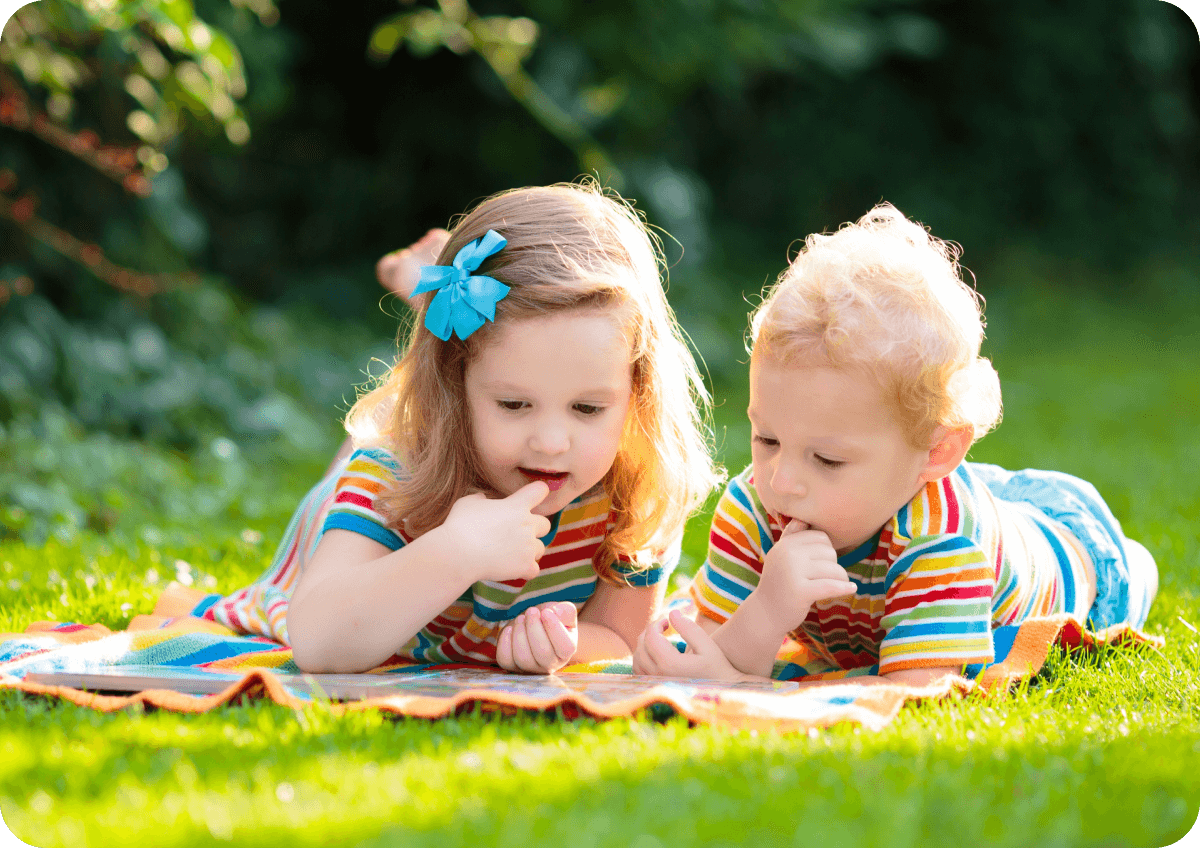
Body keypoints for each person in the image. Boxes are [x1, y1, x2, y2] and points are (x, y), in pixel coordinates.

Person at [198, 181, 721, 674]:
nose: (552, 443)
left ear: (638, 390)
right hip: (413, 478)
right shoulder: (394, 472)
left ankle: (431, 299)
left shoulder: (637, 489)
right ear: (456, 385)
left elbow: (620, 637)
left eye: (588, 409)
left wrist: (559, 645)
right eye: (515, 404)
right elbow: (317, 640)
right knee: (373, 443)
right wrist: (454, 550)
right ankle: (429, 300)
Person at [632, 203, 1158, 686]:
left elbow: (914, 692)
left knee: (1125, 577)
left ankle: (1135, 567)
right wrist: (767, 609)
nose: (779, 479)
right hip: (944, 492)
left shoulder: (944, 542)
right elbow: (706, 653)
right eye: (767, 438)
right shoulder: (753, 507)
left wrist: (742, 686)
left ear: (935, 455)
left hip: (1071, 553)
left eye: (828, 458)